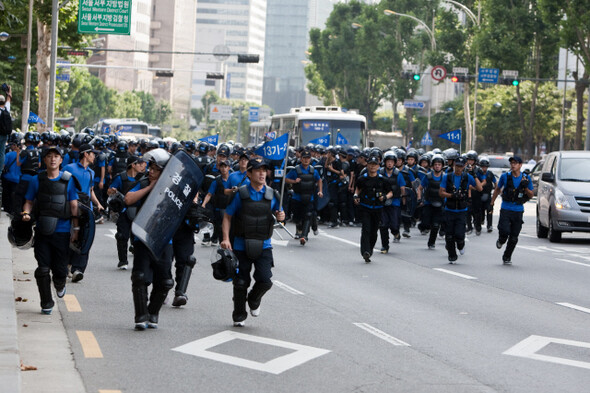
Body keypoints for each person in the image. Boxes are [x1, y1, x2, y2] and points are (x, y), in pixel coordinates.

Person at [221, 156, 285, 327]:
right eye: (258, 170)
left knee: (265, 280)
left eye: (264, 170)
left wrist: (282, 216)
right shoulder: (240, 194)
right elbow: (227, 217)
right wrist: (226, 239)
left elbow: (281, 216)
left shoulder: (273, 195)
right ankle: (239, 314)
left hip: (264, 245)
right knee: (241, 282)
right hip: (242, 244)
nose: (262, 174)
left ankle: (254, 300)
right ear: (249, 173)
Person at [22, 147, 79, 314]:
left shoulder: (68, 180)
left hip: (62, 232)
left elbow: (74, 205)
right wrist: (26, 213)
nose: (53, 159)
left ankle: (60, 283)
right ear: (44, 160)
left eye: (56, 156)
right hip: (42, 231)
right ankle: (46, 302)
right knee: (43, 269)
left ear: (61, 160)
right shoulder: (36, 180)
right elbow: (29, 201)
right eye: (49, 156)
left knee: (60, 271)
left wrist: (76, 228)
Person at [125, 148, 174, 330]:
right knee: (139, 277)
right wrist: (150, 187)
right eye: (150, 167)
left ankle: (153, 312)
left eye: (155, 169)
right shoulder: (144, 182)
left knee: (165, 281)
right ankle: (141, 315)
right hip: (143, 238)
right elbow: (128, 199)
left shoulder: (174, 188)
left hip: (165, 240)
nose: (150, 171)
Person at [63, 144, 105, 282]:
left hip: (87, 209)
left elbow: (91, 190)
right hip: (71, 207)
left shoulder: (91, 172)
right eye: (93, 153)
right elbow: (61, 185)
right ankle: (66, 266)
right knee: (71, 237)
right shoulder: (69, 168)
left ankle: (78, 270)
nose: (95, 156)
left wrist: (98, 204)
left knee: (85, 239)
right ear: (86, 154)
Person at [490, 156, 533, 265]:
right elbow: (497, 189)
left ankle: (507, 256)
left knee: (514, 237)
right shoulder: (505, 176)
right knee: (504, 231)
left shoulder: (526, 178)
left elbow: (531, 194)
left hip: (518, 210)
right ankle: (501, 240)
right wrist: (492, 203)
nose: (513, 165)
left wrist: (525, 187)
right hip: (506, 208)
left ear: (520, 165)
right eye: (511, 163)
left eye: (515, 163)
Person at [439, 156, 482, 263]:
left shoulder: (467, 177)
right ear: (454, 166)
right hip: (449, 210)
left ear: (464, 167)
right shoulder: (447, 177)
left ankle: (461, 245)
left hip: (461, 211)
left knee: (459, 235)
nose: (458, 169)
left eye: (461, 166)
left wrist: (474, 175)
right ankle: (452, 255)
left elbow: (480, 188)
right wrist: (451, 195)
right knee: (449, 236)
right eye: (456, 166)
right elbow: (441, 192)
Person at [108, 156, 147, 270]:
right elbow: (109, 190)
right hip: (125, 210)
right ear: (133, 165)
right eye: (139, 164)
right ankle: (123, 260)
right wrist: (112, 191)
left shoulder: (144, 178)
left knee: (139, 238)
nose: (142, 166)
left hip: (140, 211)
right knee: (121, 236)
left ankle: (139, 261)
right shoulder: (121, 177)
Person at [353, 155, 394, 263]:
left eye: (375, 165)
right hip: (366, 207)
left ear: (378, 166)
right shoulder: (362, 178)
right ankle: (365, 251)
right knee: (366, 229)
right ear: (367, 165)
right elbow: (358, 189)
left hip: (378, 208)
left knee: (374, 231)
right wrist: (356, 196)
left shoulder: (383, 180)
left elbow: (391, 192)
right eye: (370, 164)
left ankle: (369, 250)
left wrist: (385, 197)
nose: (372, 167)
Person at [285, 149, 323, 245]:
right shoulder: (295, 170)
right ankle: (299, 228)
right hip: (297, 198)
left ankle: (304, 236)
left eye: (308, 158)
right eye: (304, 158)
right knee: (297, 218)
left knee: (308, 215)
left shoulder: (313, 171)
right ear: (301, 159)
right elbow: (286, 179)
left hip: (309, 198)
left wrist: (320, 191)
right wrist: (294, 181)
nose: (306, 160)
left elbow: (319, 180)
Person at [379, 151, 405, 253]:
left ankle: (396, 233)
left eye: (392, 161)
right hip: (382, 202)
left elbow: (402, 188)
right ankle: (385, 246)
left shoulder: (398, 174)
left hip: (395, 202)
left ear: (395, 163)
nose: (389, 163)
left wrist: (404, 200)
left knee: (394, 225)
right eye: (388, 161)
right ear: (385, 162)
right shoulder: (380, 172)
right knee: (383, 225)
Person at [420, 154, 446, 249]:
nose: (437, 166)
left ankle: (431, 242)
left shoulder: (445, 177)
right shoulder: (428, 176)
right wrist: (420, 199)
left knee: (436, 225)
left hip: (440, 204)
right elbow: (420, 188)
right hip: (428, 203)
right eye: (435, 164)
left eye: (439, 164)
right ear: (432, 165)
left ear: (442, 166)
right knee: (425, 224)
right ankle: (422, 226)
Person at [478, 157, 496, 232]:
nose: (484, 168)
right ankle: (480, 221)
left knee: (489, 210)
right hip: (479, 195)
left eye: (485, 167)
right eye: (482, 167)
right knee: (480, 210)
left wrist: (498, 190)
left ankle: (489, 225)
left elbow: (495, 183)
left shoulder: (490, 174)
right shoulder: (478, 174)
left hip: (488, 195)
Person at [0, 84, 13, 174]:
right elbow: (9, 99)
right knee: (1, 153)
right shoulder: (6, 109)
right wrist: (9, 91)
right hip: (4, 135)